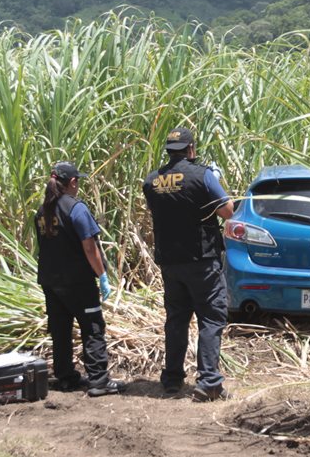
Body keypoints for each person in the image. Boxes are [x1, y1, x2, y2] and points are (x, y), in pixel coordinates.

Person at [142, 127, 234, 401]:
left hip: (170, 262)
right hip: (201, 259)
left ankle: (172, 380)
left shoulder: (151, 181)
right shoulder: (203, 175)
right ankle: (209, 382)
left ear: (169, 151)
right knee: (211, 317)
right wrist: (215, 181)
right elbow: (228, 211)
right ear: (191, 149)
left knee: (177, 319)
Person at [34, 162, 124, 397]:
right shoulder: (76, 209)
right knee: (92, 327)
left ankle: (65, 377)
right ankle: (98, 381)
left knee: (60, 329)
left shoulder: (43, 211)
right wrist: (102, 275)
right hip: (77, 282)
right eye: (78, 181)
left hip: (50, 281)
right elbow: (89, 246)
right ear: (72, 182)